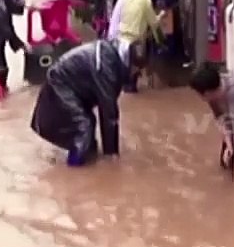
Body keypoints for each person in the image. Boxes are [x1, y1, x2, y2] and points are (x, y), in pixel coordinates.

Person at [29, 38, 147, 167]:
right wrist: (112, 156)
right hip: (60, 85)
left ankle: (85, 165)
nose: (138, 74)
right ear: (131, 63)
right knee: (83, 127)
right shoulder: (108, 65)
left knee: (88, 132)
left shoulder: (112, 58)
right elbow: (109, 113)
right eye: (138, 70)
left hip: (68, 87)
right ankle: (73, 172)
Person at [116, 0, 163, 92]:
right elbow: (153, 23)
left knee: (129, 67)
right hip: (136, 39)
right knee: (139, 62)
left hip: (122, 37)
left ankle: (129, 82)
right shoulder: (145, 0)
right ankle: (133, 80)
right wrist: (161, 15)